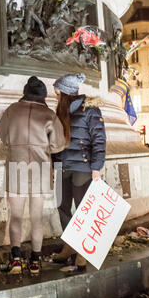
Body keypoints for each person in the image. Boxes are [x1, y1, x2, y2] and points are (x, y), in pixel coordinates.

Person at [0, 76, 65, 274]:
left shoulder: (12, 110)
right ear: (43, 96)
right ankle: (35, 260)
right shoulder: (49, 115)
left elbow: (2, 134)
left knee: (16, 215)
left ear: (25, 92)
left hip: (16, 167)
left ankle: (16, 258)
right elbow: (57, 145)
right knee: (36, 217)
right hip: (40, 170)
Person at [52, 73, 106, 271]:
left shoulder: (90, 110)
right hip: (63, 167)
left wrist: (96, 168)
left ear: (66, 94)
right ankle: (70, 245)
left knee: (82, 211)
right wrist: (54, 166)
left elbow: (99, 140)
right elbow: (56, 143)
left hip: (83, 168)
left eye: (58, 94)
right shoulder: (60, 112)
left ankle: (82, 251)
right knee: (62, 207)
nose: (56, 97)